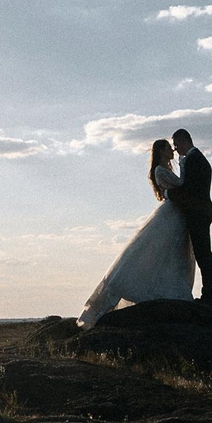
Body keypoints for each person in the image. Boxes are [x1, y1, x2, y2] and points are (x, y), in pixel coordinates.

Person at [75, 137, 195, 325]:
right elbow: (181, 186)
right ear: (162, 151)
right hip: (171, 214)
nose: (172, 150)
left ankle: (170, 289)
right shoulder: (160, 170)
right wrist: (184, 163)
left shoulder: (165, 170)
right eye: (168, 148)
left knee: (171, 253)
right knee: (159, 252)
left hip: (176, 213)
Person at [166, 127, 212, 304]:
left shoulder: (194, 160)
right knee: (203, 254)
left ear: (183, 141)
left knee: (203, 254)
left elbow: (190, 189)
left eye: (176, 145)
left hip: (198, 212)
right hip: (200, 212)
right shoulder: (196, 158)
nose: (175, 150)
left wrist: (169, 194)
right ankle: (211, 293)